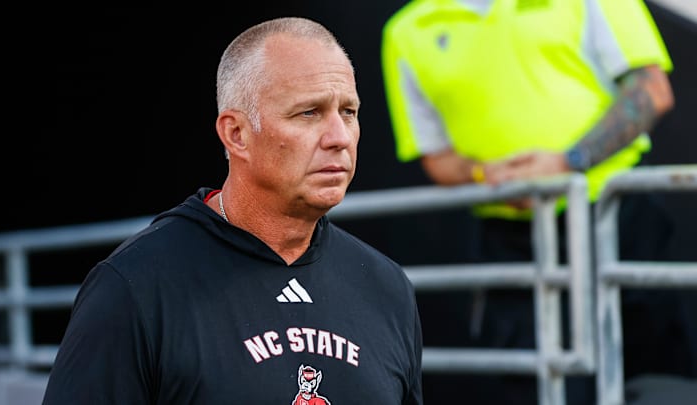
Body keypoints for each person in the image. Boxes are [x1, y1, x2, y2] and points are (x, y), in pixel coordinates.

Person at [42, 16, 423, 404]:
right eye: (309, 113)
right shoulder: (135, 288)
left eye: (348, 112)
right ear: (236, 134)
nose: (340, 138)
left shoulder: (386, 288)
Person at [381, 0, 687, 404]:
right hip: (512, 246)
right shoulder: (407, 30)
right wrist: (489, 174)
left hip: (619, 221)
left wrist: (568, 162)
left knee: (660, 381)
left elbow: (652, 89)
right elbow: (436, 157)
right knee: (538, 388)